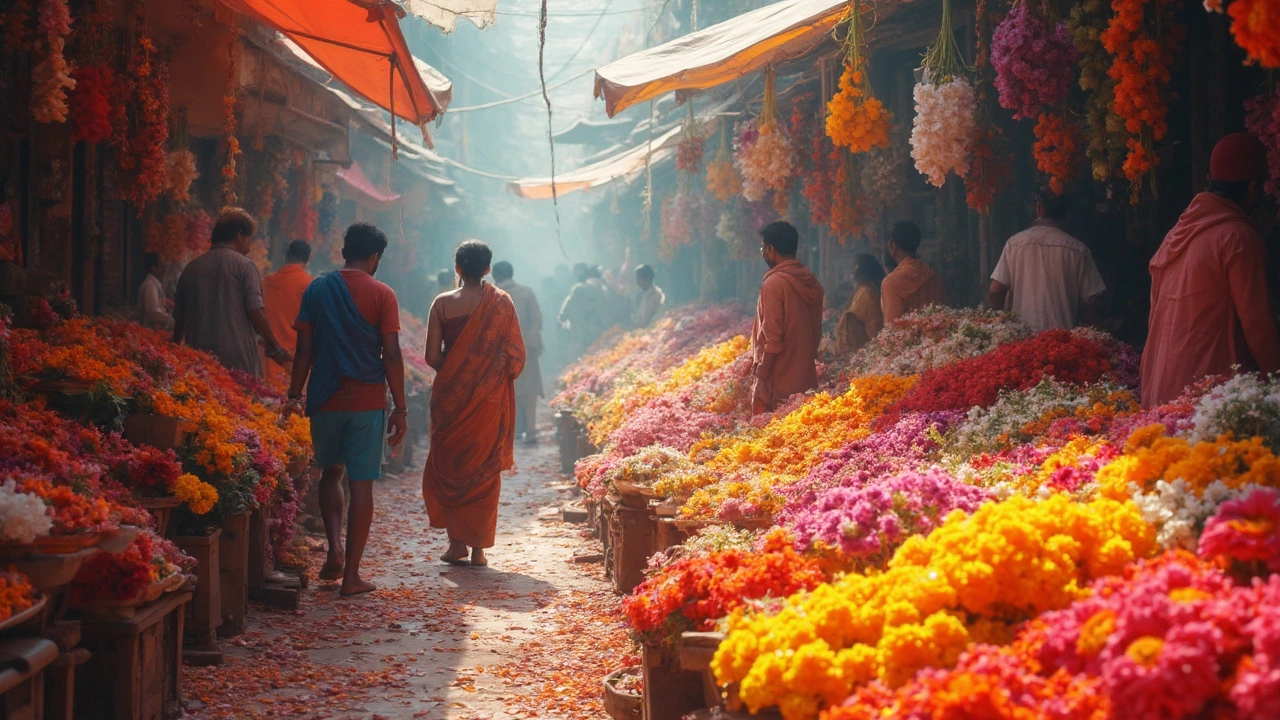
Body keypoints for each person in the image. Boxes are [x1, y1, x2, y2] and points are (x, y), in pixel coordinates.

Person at [287, 222, 407, 598]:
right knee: (362, 483)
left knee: (330, 473)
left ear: (344, 250)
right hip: (367, 400)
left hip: (325, 398)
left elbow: (304, 350)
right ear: (374, 258)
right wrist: (400, 407)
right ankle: (352, 576)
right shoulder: (382, 294)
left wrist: (293, 395)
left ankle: (334, 549)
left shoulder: (317, 289)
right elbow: (392, 354)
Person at [1140, 132, 1280, 408]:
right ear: (1254, 187)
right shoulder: (1236, 236)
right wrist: (1275, 381)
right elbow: (1258, 324)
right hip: (1209, 398)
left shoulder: (1177, 234)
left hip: (1162, 391)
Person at [422, 240, 525, 567]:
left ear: (457, 268)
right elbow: (516, 357)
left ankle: (456, 545)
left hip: (450, 399)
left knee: (452, 464)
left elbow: (431, 356)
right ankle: (479, 548)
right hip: (489, 401)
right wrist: (484, 373)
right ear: (487, 269)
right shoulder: (502, 303)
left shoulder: (441, 303)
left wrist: (457, 370)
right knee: (484, 468)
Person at [174, 207, 289, 376]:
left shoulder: (191, 268)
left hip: (199, 363)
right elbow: (256, 311)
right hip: (238, 363)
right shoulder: (245, 266)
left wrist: (176, 352)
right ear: (240, 236)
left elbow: (179, 319)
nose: (249, 246)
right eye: (249, 239)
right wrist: (274, 346)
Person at [988, 192, 1106, 331]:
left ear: (1039, 208)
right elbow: (1090, 300)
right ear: (1065, 213)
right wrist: (1093, 328)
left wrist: (998, 320)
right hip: (1060, 341)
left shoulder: (1014, 244)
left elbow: (996, 290)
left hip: (1020, 340)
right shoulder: (1078, 249)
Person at [751, 221, 824, 415]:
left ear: (771, 249)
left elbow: (773, 340)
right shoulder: (810, 280)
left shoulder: (775, 282)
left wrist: (762, 376)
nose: (762, 252)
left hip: (780, 381)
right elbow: (816, 331)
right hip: (806, 376)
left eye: (762, 247)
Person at [492, 260, 544, 445]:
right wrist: (530, 338)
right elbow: (537, 319)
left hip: (499, 352)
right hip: (525, 349)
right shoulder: (527, 292)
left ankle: (508, 431)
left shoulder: (490, 295)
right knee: (529, 390)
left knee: (504, 390)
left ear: (495, 276)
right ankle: (530, 429)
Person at [261, 240, 313, 386]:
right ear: (307, 259)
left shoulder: (267, 282)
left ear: (286, 256)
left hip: (267, 356)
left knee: (264, 401)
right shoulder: (307, 284)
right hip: (294, 359)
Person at [880, 220, 947, 324]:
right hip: (938, 339)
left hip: (905, 340)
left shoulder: (891, 283)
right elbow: (946, 315)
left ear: (892, 245)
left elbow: (891, 328)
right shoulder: (933, 275)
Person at [835, 253, 885, 355]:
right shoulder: (861, 289)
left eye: (854, 266)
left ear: (863, 271)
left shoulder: (868, 293)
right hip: (853, 352)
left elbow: (874, 328)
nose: (852, 272)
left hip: (860, 353)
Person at [558, 262, 608, 358]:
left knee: (579, 367)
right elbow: (605, 313)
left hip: (578, 338)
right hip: (598, 336)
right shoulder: (599, 290)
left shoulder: (575, 291)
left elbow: (563, 315)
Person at [138, 252, 174, 332]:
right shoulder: (150, 286)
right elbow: (154, 313)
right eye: (161, 265)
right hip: (151, 331)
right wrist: (173, 321)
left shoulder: (154, 284)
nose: (164, 268)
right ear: (154, 268)